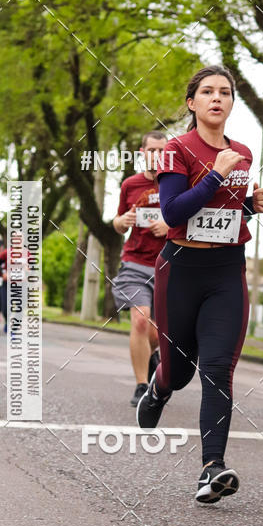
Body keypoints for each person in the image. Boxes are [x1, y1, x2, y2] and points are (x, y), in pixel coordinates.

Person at [136, 65, 263, 504]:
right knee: (180, 373)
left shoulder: (244, 152)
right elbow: (174, 213)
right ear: (192, 103)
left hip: (228, 271)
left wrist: (252, 204)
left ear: (232, 103)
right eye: (207, 92)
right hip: (181, 269)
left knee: (217, 370)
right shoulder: (177, 149)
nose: (217, 98)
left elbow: (224, 212)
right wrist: (215, 173)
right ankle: (158, 386)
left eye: (225, 92)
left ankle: (211, 468)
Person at [112, 132, 169, 407]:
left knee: (158, 335)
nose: (157, 155)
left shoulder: (177, 185)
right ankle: (142, 386)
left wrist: (170, 226)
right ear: (142, 152)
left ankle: (151, 355)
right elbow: (117, 223)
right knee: (140, 320)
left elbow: (193, 220)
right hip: (135, 264)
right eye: (152, 150)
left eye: (162, 150)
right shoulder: (130, 185)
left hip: (169, 267)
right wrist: (123, 220)